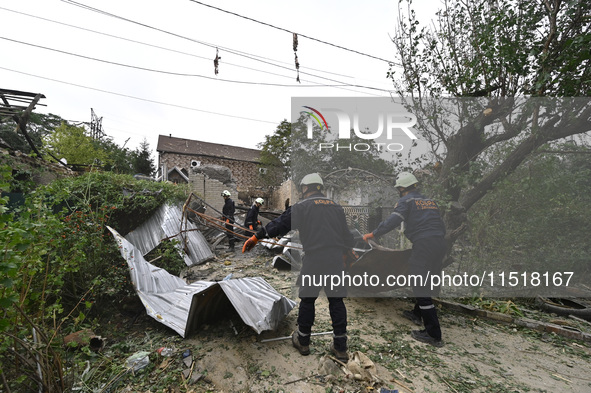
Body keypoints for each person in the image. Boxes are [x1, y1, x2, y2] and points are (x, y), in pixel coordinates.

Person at [242, 173, 354, 362]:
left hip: (314, 260)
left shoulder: (302, 207)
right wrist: (347, 254)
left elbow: (280, 224)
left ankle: (303, 340)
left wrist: (256, 237)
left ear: (305, 188)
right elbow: (347, 235)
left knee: (308, 300)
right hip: (335, 260)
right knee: (336, 301)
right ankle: (340, 347)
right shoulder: (336, 207)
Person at [363, 172, 447, 347]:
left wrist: (374, 233)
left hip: (424, 244)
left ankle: (434, 334)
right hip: (439, 243)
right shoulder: (430, 201)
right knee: (427, 280)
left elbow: (394, 220)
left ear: (402, 188)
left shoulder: (406, 201)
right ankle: (417, 314)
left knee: (419, 283)